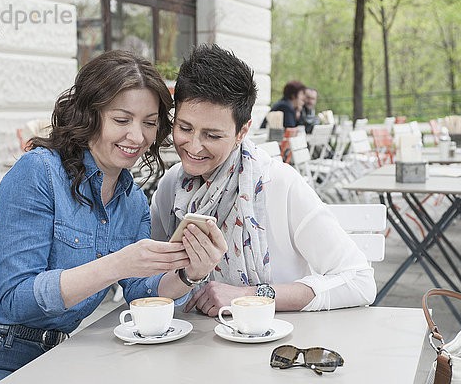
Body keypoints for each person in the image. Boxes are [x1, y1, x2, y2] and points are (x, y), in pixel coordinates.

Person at [0, 50, 196, 382]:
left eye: (150, 123)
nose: (137, 137)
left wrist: (188, 273)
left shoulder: (133, 202)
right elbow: (18, 300)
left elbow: (141, 293)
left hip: (53, 356)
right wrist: (117, 263)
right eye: (122, 120)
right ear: (89, 115)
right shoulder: (39, 172)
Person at [151, 44, 376, 317]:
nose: (194, 147)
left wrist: (251, 296)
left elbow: (360, 281)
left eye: (212, 136)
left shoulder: (279, 185)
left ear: (241, 132)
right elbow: (154, 285)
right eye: (185, 128)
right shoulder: (170, 188)